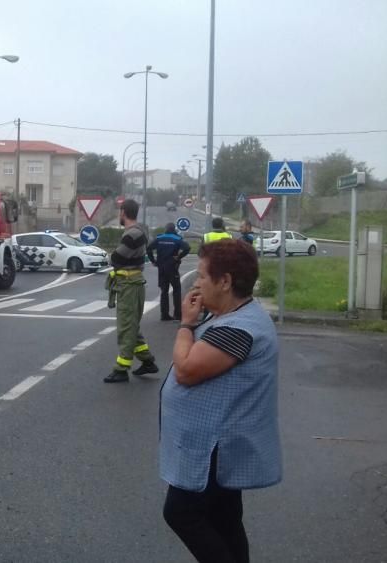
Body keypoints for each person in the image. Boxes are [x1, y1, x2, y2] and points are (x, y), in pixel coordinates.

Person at [160, 239, 282, 563]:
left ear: (225, 281)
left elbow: (186, 371)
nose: (196, 283)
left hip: (216, 447)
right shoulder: (234, 316)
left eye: (201, 275)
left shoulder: (238, 328)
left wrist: (186, 324)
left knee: (181, 513)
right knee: (224, 518)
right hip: (221, 443)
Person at [103, 199, 158, 383]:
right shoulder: (139, 231)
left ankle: (121, 369)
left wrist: (114, 259)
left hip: (129, 284)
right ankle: (148, 361)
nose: (119, 215)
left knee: (126, 327)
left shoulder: (132, 234)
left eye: (120, 212)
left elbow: (116, 258)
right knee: (131, 325)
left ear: (123, 212)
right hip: (132, 283)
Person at [147, 223, 191, 321]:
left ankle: (164, 315)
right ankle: (178, 314)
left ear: (165, 229)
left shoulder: (159, 238)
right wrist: (179, 257)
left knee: (164, 291)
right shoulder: (177, 239)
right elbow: (187, 248)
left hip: (161, 268)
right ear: (174, 229)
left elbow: (149, 248)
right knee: (176, 290)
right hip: (172, 267)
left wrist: (153, 261)